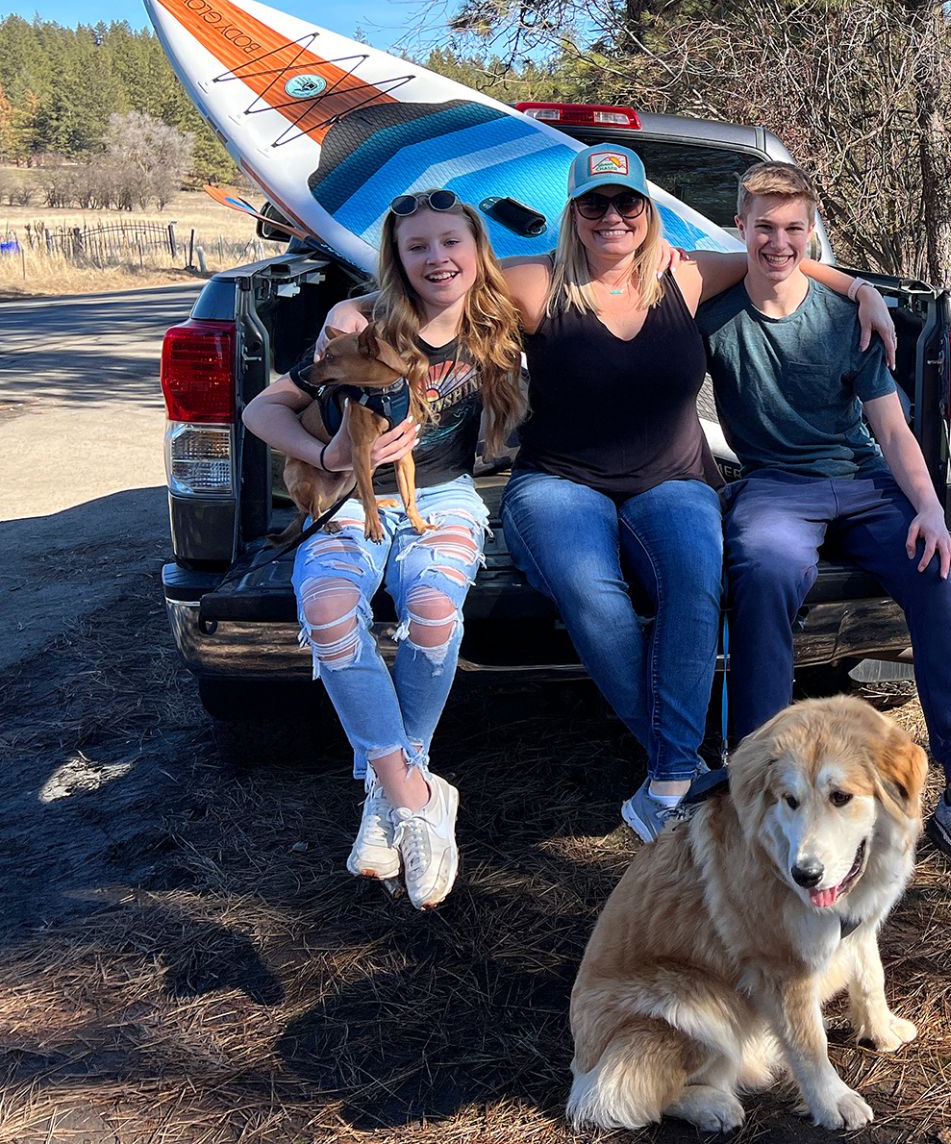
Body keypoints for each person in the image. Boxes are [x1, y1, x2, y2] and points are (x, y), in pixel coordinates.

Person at [499, 143, 896, 843]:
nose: (612, 217)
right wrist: (352, 316)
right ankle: (677, 771)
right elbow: (435, 288)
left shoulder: (679, 278)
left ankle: (670, 783)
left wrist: (860, 289)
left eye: (627, 203)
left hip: (672, 478)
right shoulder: (535, 282)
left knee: (695, 579)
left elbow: (777, 259)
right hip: (561, 482)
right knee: (593, 593)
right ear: (573, 214)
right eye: (595, 204)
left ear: (648, 212)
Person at [697, 160, 951, 887]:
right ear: (740, 229)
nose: (778, 243)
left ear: (810, 234)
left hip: (864, 483)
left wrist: (934, 512)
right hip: (776, 487)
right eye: (764, 228)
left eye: (793, 230)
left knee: (937, 570)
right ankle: (762, 785)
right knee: (766, 572)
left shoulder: (846, 317)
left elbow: (893, 430)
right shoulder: (712, 316)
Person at [242, 190, 524, 909]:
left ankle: (389, 787)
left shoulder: (501, 317)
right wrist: (323, 453)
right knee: (329, 605)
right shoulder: (358, 328)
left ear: (476, 248)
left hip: (444, 495)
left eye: (450, 242)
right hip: (348, 499)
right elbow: (260, 408)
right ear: (396, 259)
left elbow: (617, 266)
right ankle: (417, 794)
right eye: (417, 246)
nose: (437, 258)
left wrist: (854, 292)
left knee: (433, 608)